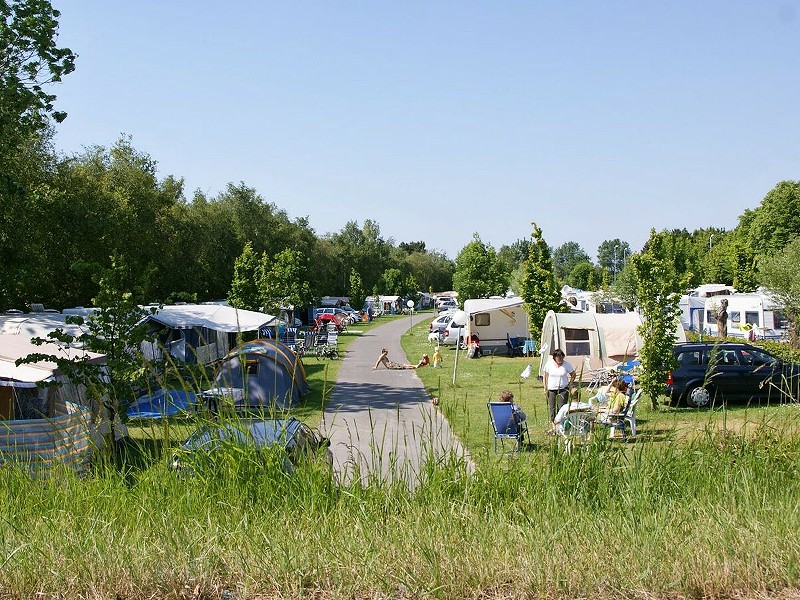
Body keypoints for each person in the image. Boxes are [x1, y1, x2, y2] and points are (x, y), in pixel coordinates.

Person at [542, 349, 576, 431]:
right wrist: (545, 387)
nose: (560, 359)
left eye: (561, 357)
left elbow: (573, 374)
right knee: (552, 408)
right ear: (554, 357)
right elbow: (545, 376)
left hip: (563, 389)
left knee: (562, 407)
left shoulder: (566, 364)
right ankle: (553, 426)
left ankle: (561, 424)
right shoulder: (549, 364)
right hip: (551, 389)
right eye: (558, 357)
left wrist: (570, 384)